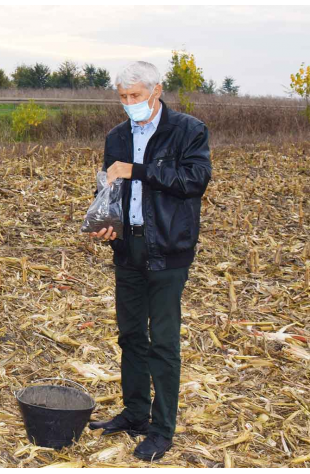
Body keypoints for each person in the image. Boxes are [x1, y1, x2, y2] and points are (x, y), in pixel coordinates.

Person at [86, 61, 212, 461]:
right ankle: (136, 413)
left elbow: (194, 180)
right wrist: (107, 225)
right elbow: (113, 191)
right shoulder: (117, 136)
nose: (128, 104)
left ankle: (161, 429)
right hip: (129, 248)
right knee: (130, 336)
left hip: (169, 248)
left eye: (135, 96)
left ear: (157, 91)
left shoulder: (188, 130)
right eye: (122, 97)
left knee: (163, 342)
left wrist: (138, 170)